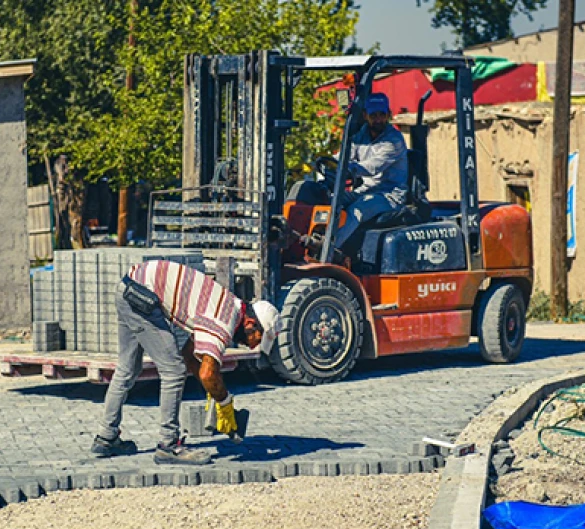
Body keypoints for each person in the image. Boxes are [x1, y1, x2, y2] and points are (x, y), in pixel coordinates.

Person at [90, 259, 281, 466]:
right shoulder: (224, 322)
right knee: (173, 371)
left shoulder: (227, 305)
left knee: (128, 368)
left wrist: (213, 392)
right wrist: (224, 403)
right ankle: (168, 445)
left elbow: (190, 357)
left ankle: (106, 437)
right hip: (141, 296)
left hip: (129, 287)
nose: (254, 346)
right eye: (258, 339)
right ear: (251, 324)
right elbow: (207, 373)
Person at [304, 92, 409, 259]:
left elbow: (372, 166)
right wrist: (329, 163)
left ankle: (325, 253)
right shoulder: (362, 134)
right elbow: (346, 155)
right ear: (365, 115)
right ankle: (308, 243)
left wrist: (349, 170)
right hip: (366, 190)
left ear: (388, 115)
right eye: (373, 115)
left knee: (357, 210)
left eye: (382, 115)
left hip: (389, 196)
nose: (378, 119)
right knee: (329, 200)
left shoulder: (394, 140)